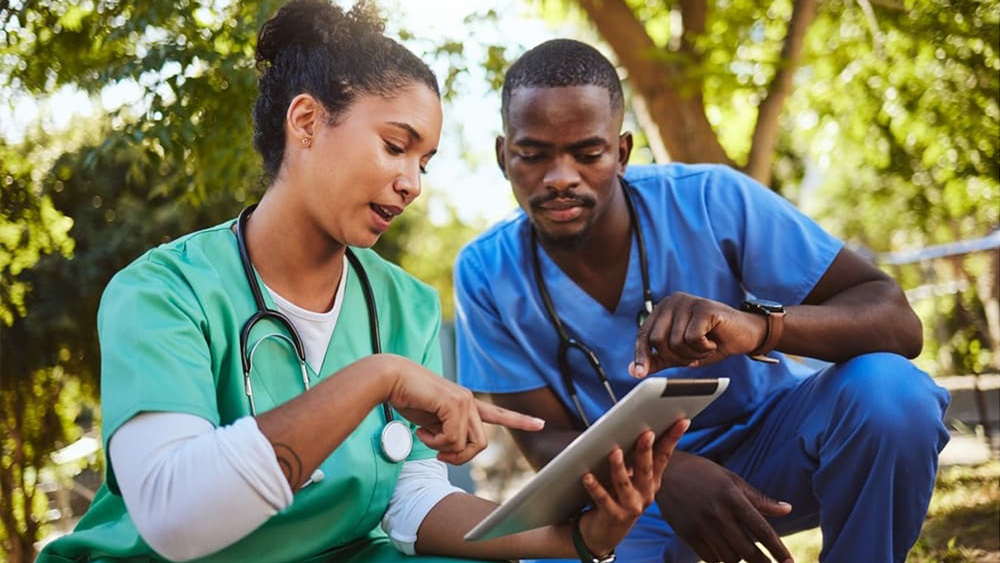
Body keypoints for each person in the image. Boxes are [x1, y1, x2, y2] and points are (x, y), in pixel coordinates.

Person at [37, 8, 689, 563]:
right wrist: (375, 378)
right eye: (395, 146)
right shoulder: (163, 291)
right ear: (307, 123)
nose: (412, 181)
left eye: (425, 162)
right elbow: (173, 518)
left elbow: (410, 500)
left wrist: (573, 537)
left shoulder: (403, 303)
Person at [453, 38, 952, 563]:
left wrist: (758, 327)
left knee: (892, 395)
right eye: (532, 155)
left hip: (774, 447)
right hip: (627, 494)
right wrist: (662, 473)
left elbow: (897, 322)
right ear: (503, 155)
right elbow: (542, 440)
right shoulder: (485, 271)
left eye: (587, 153)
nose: (560, 177)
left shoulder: (713, 199)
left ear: (621, 153)